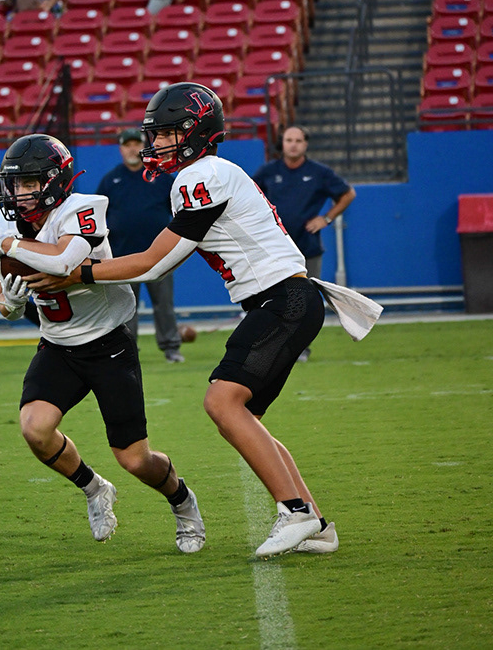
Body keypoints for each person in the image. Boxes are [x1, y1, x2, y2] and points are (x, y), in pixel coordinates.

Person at [23, 85, 381, 557]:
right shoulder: (209, 174)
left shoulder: (202, 175)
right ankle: (315, 524)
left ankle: (295, 511)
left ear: (195, 133)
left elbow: (154, 263)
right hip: (285, 300)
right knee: (244, 415)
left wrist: (79, 273)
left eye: (166, 133)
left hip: (283, 300)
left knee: (222, 402)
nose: (155, 143)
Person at [0, 133, 205, 553]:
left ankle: (181, 500)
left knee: (134, 458)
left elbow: (63, 260)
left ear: (55, 181)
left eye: (30, 182)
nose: (19, 193)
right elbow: (6, 308)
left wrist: (10, 245)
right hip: (57, 344)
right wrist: (12, 301)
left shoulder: (83, 207)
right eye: (14, 183)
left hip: (108, 344)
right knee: (35, 429)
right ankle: (94, 488)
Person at [253, 124, 356, 360]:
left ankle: (300, 348)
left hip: (307, 246)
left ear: (305, 144)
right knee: (274, 299)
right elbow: (249, 195)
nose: (293, 145)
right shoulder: (269, 171)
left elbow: (348, 193)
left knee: (304, 301)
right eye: (289, 140)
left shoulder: (319, 172)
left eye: (298, 141)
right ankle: (271, 346)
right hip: (274, 248)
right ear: (282, 144)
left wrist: (326, 218)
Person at [96, 128, 184, 363]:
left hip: (160, 255)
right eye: (128, 145)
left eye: (136, 144)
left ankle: (171, 347)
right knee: (125, 307)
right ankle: (127, 349)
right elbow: (98, 218)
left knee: (164, 304)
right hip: (123, 256)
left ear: (145, 147)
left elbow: (180, 210)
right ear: (121, 149)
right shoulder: (111, 180)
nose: (132, 149)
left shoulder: (161, 177)